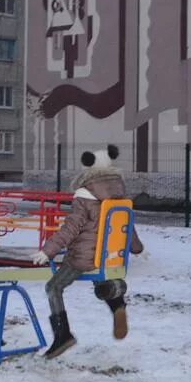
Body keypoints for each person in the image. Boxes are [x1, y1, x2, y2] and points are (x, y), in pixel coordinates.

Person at [31, 144, 141, 359]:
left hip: (83, 257)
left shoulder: (84, 194)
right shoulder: (119, 194)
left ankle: (63, 335)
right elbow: (127, 225)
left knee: (54, 287)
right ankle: (117, 301)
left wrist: (48, 251)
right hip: (108, 256)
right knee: (100, 280)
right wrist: (136, 248)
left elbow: (71, 227)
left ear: (88, 166)